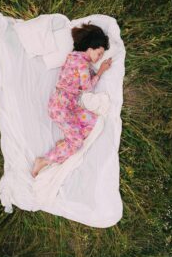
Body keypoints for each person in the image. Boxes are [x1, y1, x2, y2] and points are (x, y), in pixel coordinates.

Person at [32, 23, 113, 178]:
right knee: (77, 143)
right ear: (90, 48)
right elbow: (87, 87)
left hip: (67, 104)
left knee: (93, 122)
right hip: (61, 107)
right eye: (99, 53)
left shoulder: (74, 57)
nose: (99, 58)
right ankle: (43, 161)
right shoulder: (82, 63)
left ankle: (64, 145)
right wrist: (101, 70)